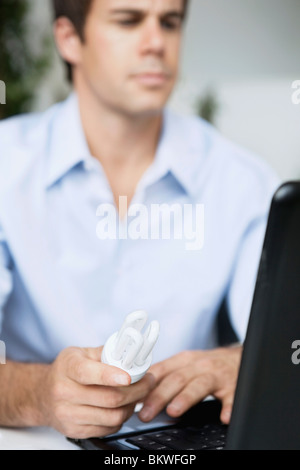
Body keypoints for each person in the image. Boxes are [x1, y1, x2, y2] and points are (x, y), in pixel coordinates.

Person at [0, 0, 280, 440]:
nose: (157, 43)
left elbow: (289, 341)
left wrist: (247, 363)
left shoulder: (241, 181)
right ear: (69, 38)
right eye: (128, 21)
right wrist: (39, 394)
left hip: (179, 444)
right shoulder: (7, 166)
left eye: (170, 22)